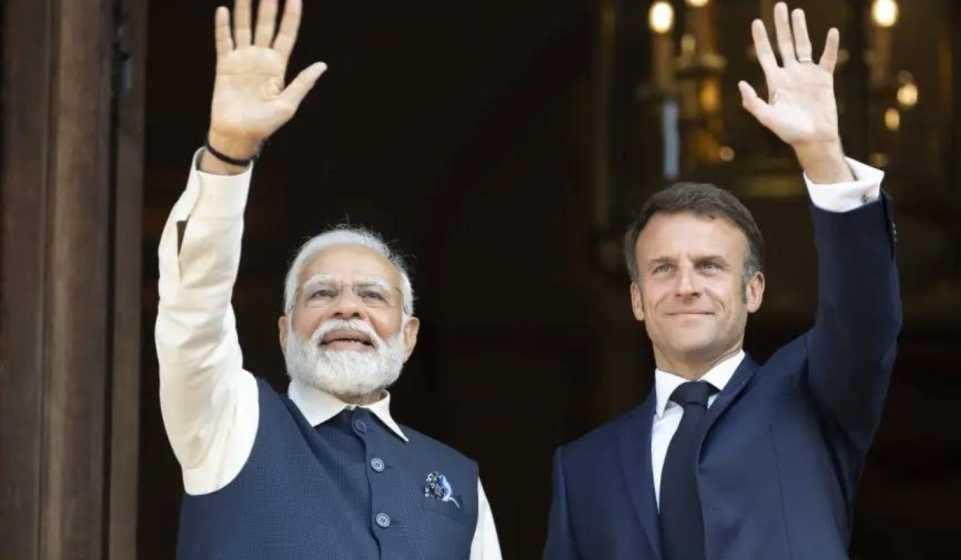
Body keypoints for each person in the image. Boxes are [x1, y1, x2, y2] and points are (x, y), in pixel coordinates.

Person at [543, 3, 901, 559]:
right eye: (663, 269)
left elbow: (864, 313)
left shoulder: (814, 398)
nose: (686, 285)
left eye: (711, 266)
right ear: (637, 299)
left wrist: (822, 155)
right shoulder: (582, 466)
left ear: (752, 290)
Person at [154, 1, 502, 558]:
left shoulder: (458, 481)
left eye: (372, 296)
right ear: (285, 330)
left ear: (409, 335)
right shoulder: (229, 420)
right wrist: (228, 153)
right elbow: (193, 306)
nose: (348, 308)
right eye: (321, 294)